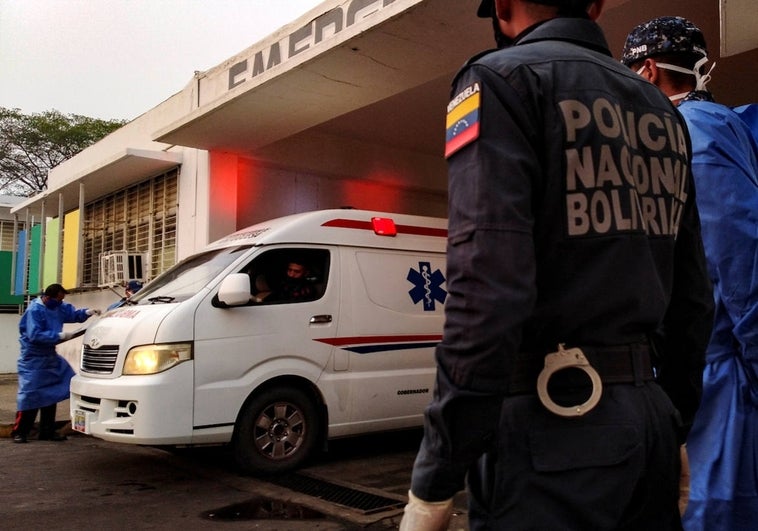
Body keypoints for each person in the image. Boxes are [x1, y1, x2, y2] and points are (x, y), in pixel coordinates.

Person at [400, 1, 714, 529]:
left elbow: (486, 291)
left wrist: (435, 476)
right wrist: (672, 421)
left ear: (500, 6)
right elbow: (692, 295)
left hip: (551, 438)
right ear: (595, 4)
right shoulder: (662, 110)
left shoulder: (498, 82)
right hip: (648, 428)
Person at [622, 16, 758, 529]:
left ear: (650, 70)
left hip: (720, 375)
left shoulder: (698, 131)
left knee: (716, 512)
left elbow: (739, 258)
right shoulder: (672, 134)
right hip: (690, 373)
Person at [11, 283, 100, 443]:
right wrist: (58, 336)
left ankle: (47, 431)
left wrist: (87, 312)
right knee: (30, 395)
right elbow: (35, 335)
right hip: (33, 358)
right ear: (48, 297)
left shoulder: (57, 306)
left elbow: (71, 314)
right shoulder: (35, 310)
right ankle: (20, 432)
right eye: (59, 299)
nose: (61, 302)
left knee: (52, 394)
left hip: (50, 356)